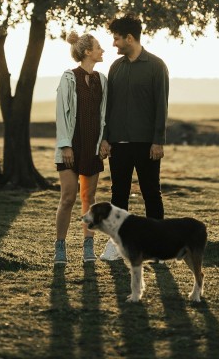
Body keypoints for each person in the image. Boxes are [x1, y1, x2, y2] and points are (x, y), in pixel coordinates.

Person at [98, 14, 169, 261]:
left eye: (117, 39)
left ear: (129, 38)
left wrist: (158, 141)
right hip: (118, 143)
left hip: (147, 144)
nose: (114, 44)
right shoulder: (116, 67)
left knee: (151, 193)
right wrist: (105, 138)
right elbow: (108, 107)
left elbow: (162, 105)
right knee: (119, 194)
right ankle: (117, 245)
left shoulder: (156, 66)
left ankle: (159, 247)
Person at [54, 30, 107, 264]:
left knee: (89, 197)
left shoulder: (101, 80)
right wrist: (65, 145)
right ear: (88, 52)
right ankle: (60, 247)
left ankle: (88, 246)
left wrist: (105, 140)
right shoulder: (68, 78)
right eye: (98, 47)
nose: (102, 50)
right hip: (71, 147)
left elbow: (105, 114)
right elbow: (61, 114)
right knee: (68, 197)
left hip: (92, 147)